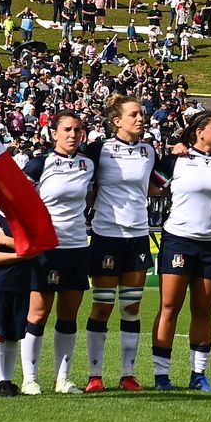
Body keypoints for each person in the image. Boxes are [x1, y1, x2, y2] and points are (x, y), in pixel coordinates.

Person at [81, 95, 165, 393]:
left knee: (131, 307)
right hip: (106, 237)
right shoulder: (98, 150)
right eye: (134, 114)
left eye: (142, 114)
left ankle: (128, 374)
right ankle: (95, 375)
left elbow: (159, 184)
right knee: (102, 306)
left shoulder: (149, 150)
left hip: (137, 238)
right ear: (116, 121)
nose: (141, 118)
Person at [150, 111, 211, 392]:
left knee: (203, 310)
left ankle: (199, 375)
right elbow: (152, 188)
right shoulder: (176, 160)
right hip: (178, 240)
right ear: (199, 132)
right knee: (169, 308)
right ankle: (162, 375)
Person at [19, 110, 96, 394]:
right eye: (67, 129)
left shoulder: (89, 163)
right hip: (47, 247)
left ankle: (63, 379)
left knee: (68, 315)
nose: (73, 135)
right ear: (54, 133)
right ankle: (29, 379)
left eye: (77, 129)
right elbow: (18, 198)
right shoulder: (39, 163)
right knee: (38, 313)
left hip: (77, 247)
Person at [0, 206, 32, 396]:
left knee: (14, 334)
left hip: (22, 282)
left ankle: (8, 381)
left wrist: (4, 240)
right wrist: (21, 254)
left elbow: (35, 248)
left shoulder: (29, 219)